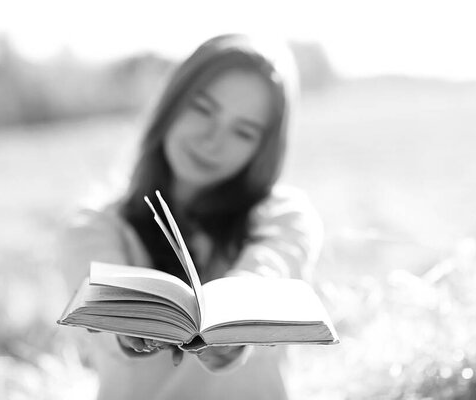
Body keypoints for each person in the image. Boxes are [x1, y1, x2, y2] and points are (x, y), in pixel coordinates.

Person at [57, 33, 323, 400]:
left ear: (262, 151)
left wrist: (237, 322)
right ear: (173, 102)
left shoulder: (284, 216)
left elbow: (271, 266)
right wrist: (129, 325)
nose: (212, 140)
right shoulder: (94, 224)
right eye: (202, 108)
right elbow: (100, 300)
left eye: (243, 132)